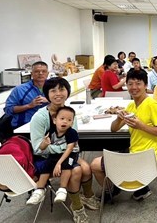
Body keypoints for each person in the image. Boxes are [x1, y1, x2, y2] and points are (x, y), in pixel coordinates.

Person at [91, 70, 157, 201]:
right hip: (134, 154)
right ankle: (122, 189)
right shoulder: (131, 105)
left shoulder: (153, 105)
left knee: (94, 164)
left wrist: (141, 126)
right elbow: (113, 129)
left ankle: (112, 191)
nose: (134, 87)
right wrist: (118, 118)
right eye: (130, 84)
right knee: (119, 153)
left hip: (148, 159)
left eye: (138, 83)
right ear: (126, 86)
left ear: (145, 85)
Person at [30, 78, 99, 222]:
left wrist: (63, 149)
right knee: (77, 170)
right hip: (45, 158)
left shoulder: (68, 114)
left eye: (61, 89)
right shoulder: (40, 117)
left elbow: (74, 143)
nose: (58, 94)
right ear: (46, 94)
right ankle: (77, 206)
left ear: (67, 92)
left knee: (86, 167)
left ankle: (88, 197)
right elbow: (38, 149)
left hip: (66, 154)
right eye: (53, 90)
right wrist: (62, 149)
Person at [27, 106, 80, 205]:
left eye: (69, 120)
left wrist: (58, 163)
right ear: (55, 120)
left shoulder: (71, 132)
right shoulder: (51, 131)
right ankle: (39, 191)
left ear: (72, 123)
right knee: (47, 164)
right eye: (62, 119)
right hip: (56, 153)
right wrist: (44, 143)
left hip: (70, 153)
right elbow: (41, 148)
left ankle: (62, 189)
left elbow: (69, 149)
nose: (65, 122)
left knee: (66, 165)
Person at [5, 61, 49, 129]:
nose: (40, 73)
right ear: (31, 74)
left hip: (47, 124)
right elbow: (8, 109)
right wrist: (29, 105)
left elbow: (62, 102)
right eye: (37, 71)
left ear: (47, 74)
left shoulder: (53, 87)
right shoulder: (19, 89)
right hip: (24, 126)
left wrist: (49, 100)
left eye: (44, 71)